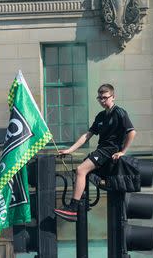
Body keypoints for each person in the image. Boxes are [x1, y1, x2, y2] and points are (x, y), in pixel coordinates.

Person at [54, 83, 136, 219]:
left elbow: (132, 132)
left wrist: (123, 151)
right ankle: (86, 201)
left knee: (81, 170)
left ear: (113, 97)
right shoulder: (100, 116)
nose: (102, 101)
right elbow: (87, 136)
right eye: (100, 98)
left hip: (109, 151)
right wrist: (70, 150)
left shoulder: (120, 113)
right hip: (101, 150)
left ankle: (73, 209)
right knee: (81, 171)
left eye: (105, 98)